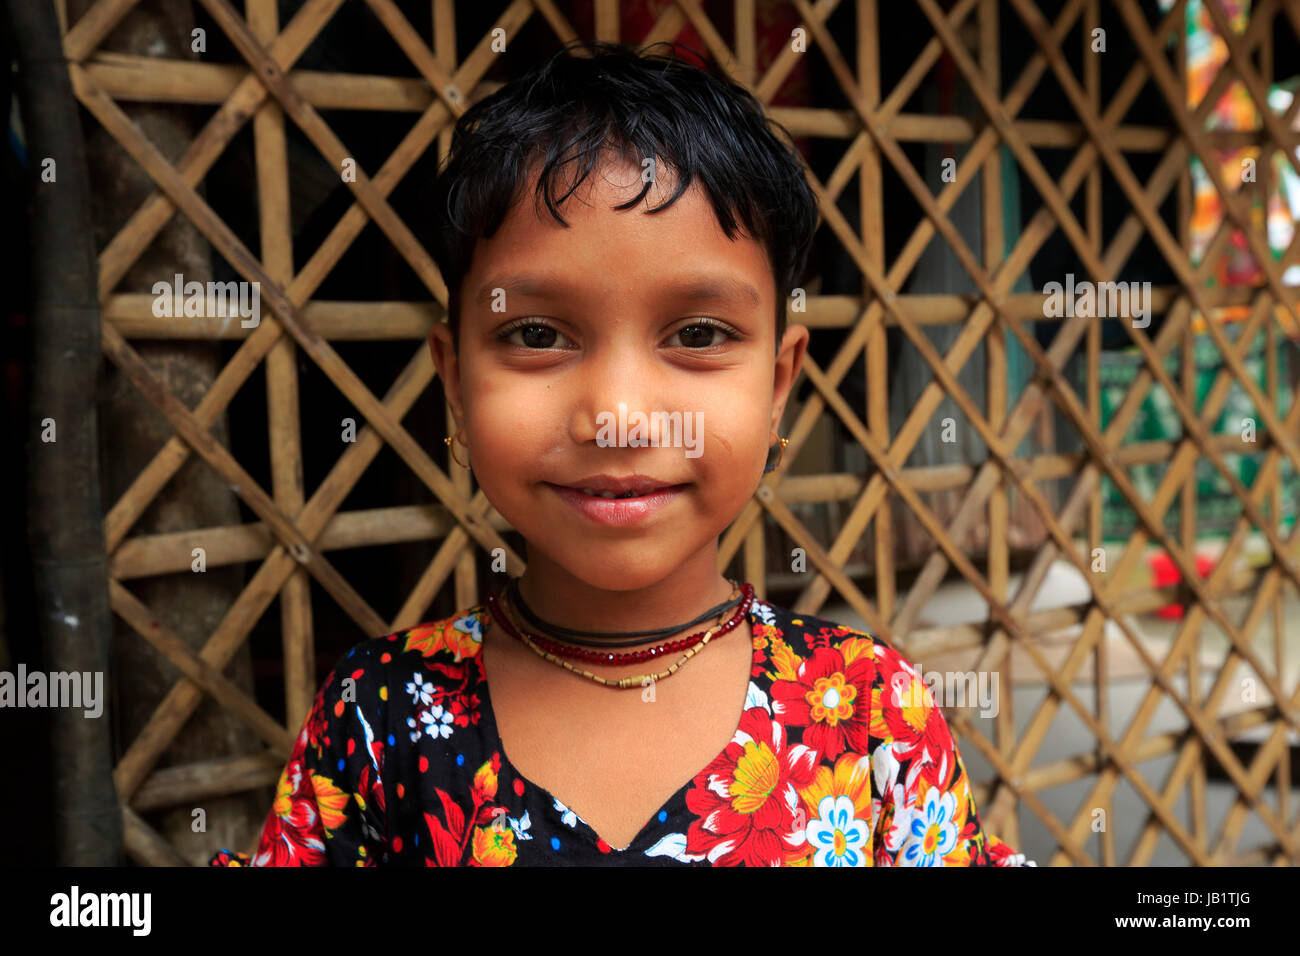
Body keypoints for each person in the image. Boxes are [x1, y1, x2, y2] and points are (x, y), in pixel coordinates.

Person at [210, 40, 1034, 868]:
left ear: (778, 384)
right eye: (536, 334)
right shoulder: (377, 717)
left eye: (699, 335)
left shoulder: (871, 713)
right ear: (455, 383)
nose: (618, 417)